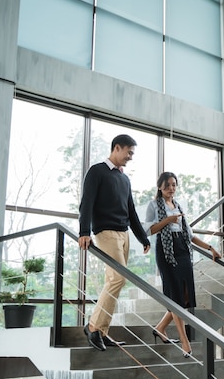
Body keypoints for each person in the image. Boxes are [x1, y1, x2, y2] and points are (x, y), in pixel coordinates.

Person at [78, 134, 151, 351]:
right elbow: (87, 203)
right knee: (118, 278)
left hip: (124, 234)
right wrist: (84, 231)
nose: (130, 157)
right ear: (116, 148)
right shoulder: (97, 171)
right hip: (106, 232)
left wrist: (142, 237)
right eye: (128, 152)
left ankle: (102, 330)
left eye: (132, 154)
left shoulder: (124, 179)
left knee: (115, 281)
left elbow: (131, 211)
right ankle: (93, 328)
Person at [145, 171, 220, 357]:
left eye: (174, 185)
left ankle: (161, 328)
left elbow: (190, 234)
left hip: (183, 250)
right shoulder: (153, 205)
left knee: (185, 296)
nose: (172, 188)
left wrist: (210, 247)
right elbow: (149, 230)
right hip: (166, 251)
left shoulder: (178, 205)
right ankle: (185, 342)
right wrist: (167, 220)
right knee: (175, 297)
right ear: (160, 186)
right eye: (168, 185)